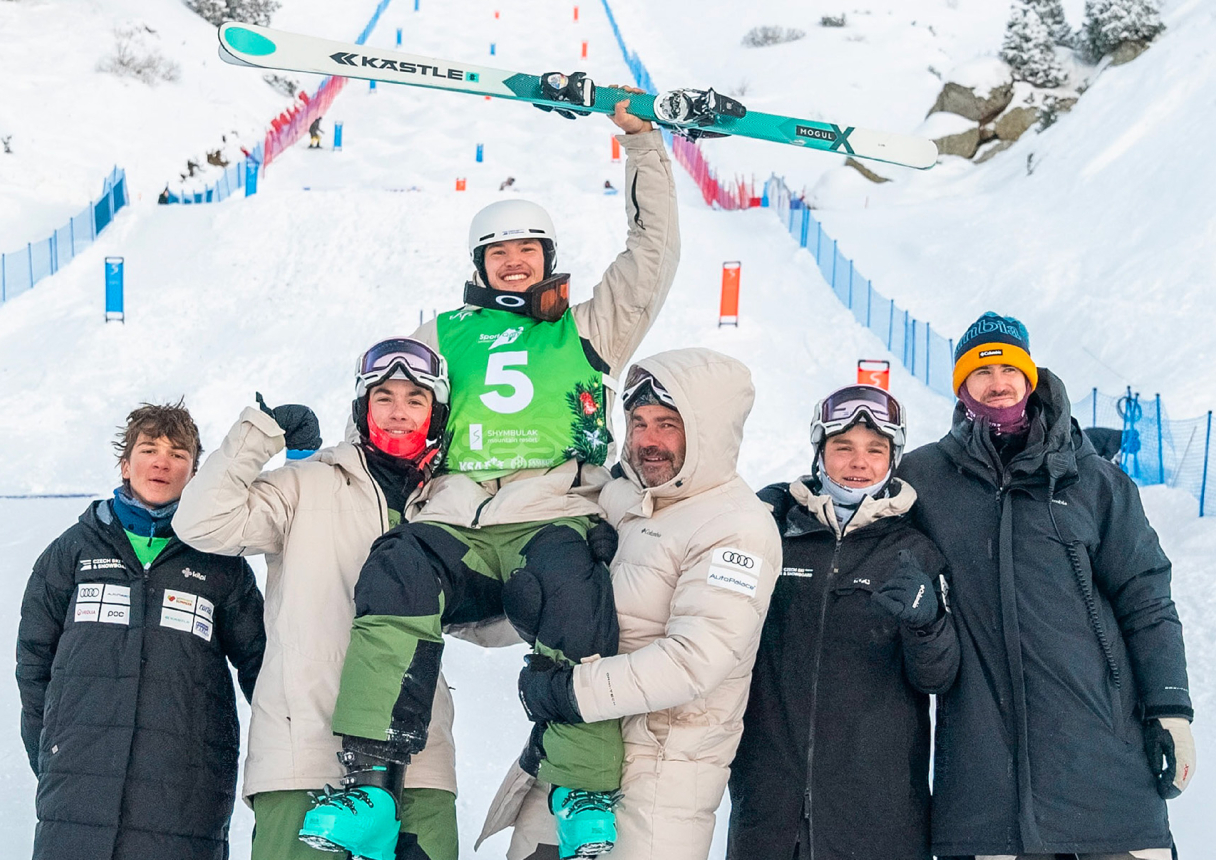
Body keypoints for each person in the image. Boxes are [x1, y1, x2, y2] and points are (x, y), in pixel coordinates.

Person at [312, 85, 679, 860]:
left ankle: (582, 787)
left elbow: (651, 259)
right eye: (499, 254)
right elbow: (389, 408)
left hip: (553, 516)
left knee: (574, 589)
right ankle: (372, 781)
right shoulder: (442, 332)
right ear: (479, 264)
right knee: (396, 568)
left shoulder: (587, 327)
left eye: (528, 251)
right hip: (456, 523)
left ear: (548, 258)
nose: (515, 265)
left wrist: (644, 147)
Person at [895, 312, 1196, 860]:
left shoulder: (1095, 481)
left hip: (1104, 758)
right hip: (985, 778)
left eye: (1010, 368)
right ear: (962, 387)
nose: (998, 382)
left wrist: (1169, 705)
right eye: (981, 373)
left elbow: (1146, 598)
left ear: (1030, 377)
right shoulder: (926, 479)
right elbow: (854, 508)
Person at [171, 339, 462, 860]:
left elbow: (490, 626)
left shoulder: (452, 501)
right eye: (384, 398)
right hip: (306, 751)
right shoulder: (309, 485)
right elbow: (201, 522)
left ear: (436, 413)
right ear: (362, 408)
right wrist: (259, 434)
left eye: (415, 400)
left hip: (421, 759)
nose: (399, 413)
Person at [498, 348, 783, 860]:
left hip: (658, 781)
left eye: (668, 425)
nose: (648, 441)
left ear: (708, 432)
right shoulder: (625, 499)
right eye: (639, 422)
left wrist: (569, 692)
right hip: (575, 756)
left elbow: (694, 659)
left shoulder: (736, 527)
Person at [15, 401, 266, 860]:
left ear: (194, 473)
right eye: (149, 449)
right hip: (78, 786)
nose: (162, 462)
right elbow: (33, 661)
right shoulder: (72, 552)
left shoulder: (220, 562)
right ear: (126, 465)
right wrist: (53, 750)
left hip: (186, 793)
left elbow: (263, 669)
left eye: (178, 454)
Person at [727, 384, 959, 860]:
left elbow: (937, 678)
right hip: (770, 808)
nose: (859, 462)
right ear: (820, 452)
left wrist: (927, 623)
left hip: (878, 815)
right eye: (843, 448)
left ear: (893, 459)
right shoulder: (773, 531)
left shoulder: (913, 547)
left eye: (876, 450)